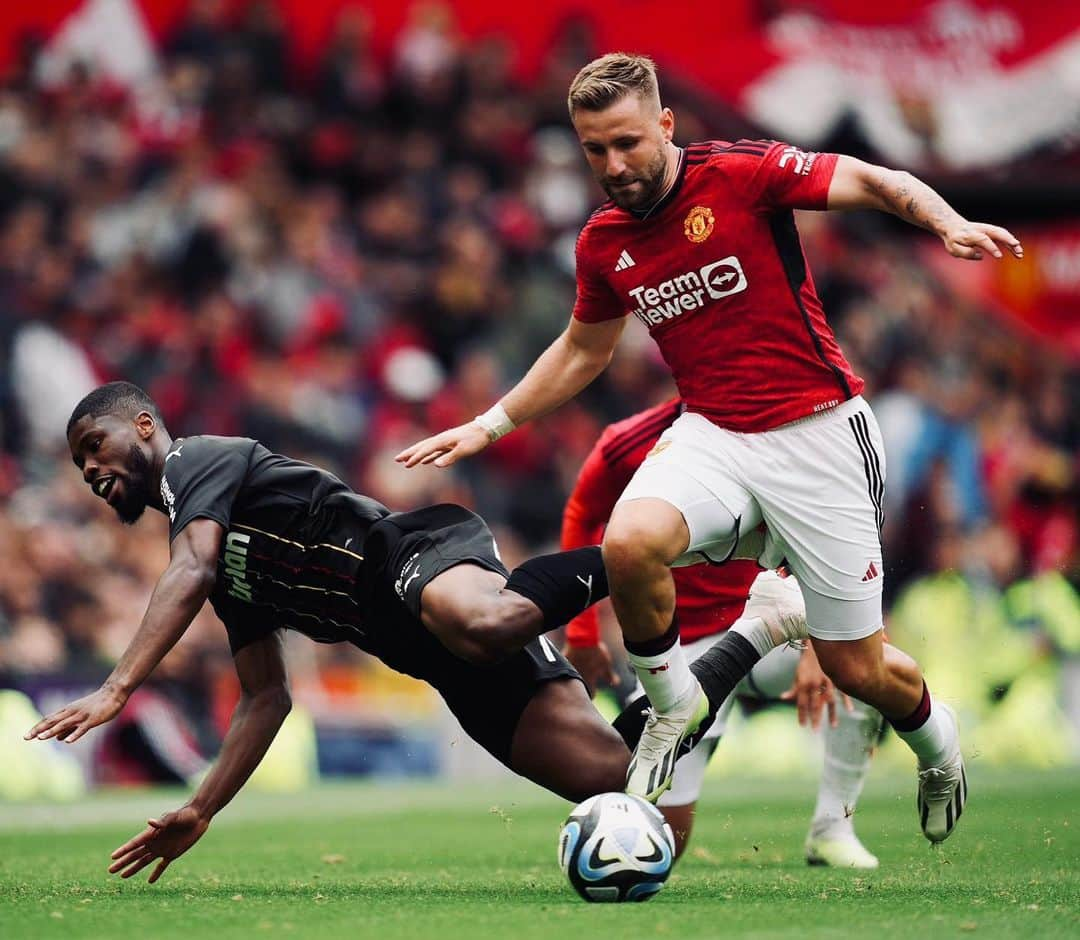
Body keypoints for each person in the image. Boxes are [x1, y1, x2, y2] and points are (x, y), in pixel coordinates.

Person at [397, 52, 1023, 842]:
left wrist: (946, 222)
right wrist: (489, 424)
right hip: (714, 432)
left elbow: (868, 179)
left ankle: (938, 744)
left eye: (627, 142)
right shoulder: (604, 243)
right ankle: (674, 706)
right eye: (595, 150)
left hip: (819, 434)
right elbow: (582, 351)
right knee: (627, 544)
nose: (614, 165)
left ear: (665, 124)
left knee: (855, 668)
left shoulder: (742, 176)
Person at [26, 381, 631, 883]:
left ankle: (632, 554)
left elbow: (191, 566)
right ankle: (708, 674)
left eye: (95, 445)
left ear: (144, 425)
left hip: (411, 556)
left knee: (486, 623)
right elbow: (267, 697)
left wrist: (116, 688)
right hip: (428, 657)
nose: (89, 468)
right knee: (618, 782)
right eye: (80, 462)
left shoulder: (197, 460)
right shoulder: (221, 568)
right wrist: (200, 808)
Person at [563, 398, 883, 867]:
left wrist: (820, 641)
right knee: (660, 843)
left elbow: (825, 538)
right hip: (682, 653)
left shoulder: (784, 432)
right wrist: (584, 631)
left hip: (771, 625)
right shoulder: (626, 442)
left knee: (863, 665)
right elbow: (582, 511)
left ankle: (833, 826)